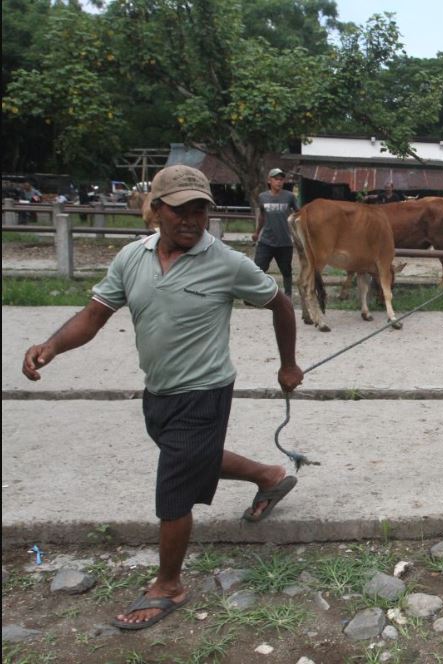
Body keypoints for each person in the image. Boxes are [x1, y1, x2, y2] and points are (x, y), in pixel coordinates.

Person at [22, 165, 304, 631]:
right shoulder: (131, 258)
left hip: (206, 391)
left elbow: (280, 303)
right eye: (180, 211)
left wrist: (288, 364)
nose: (191, 221)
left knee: (173, 489)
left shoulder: (227, 262)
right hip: (158, 391)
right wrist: (51, 346)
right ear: (155, 210)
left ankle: (169, 584)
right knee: (193, 458)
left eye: (200, 211)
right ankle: (270, 477)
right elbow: (93, 316)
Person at [253, 168, 299, 297]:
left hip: (285, 242)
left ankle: (288, 295)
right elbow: (262, 216)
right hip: (266, 241)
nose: (279, 182)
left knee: (286, 271)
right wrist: (257, 232)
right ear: (269, 180)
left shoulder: (289, 196)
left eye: (281, 179)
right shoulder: (263, 197)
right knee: (258, 269)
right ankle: (256, 294)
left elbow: (298, 214)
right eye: (276, 179)